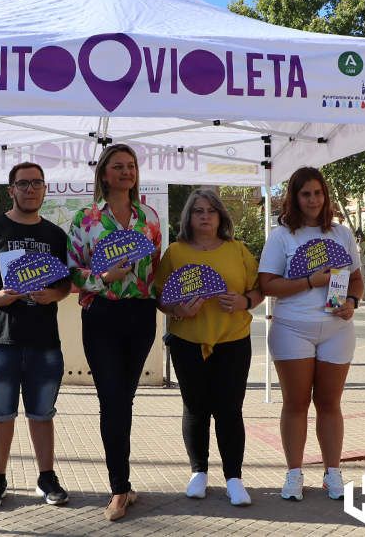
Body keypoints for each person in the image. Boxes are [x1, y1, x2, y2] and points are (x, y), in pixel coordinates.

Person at [0, 162, 72, 509]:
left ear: (44, 188)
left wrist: (54, 295)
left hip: (44, 340)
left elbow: (66, 283)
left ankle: (46, 476)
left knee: (42, 413)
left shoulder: (56, 235)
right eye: (23, 183)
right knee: (0, 413)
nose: (30, 189)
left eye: (36, 183)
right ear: (11, 190)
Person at [257, 166, 364, 502]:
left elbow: (357, 279)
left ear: (325, 195)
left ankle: (333, 473)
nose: (313, 200)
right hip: (292, 329)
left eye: (318, 193)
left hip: (338, 330)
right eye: (306, 194)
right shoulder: (282, 236)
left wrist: (351, 301)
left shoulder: (341, 234)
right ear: (294, 197)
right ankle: (294, 474)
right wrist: (309, 282)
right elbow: (267, 284)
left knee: (330, 403)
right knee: (296, 403)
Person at [67, 144, 161, 521]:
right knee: (112, 400)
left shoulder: (149, 217)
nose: (126, 172)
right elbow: (72, 270)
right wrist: (102, 278)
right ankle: (119, 489)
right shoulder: (85, 219)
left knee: (125, 398)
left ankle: (123, 483)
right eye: (118, 166)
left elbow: (156, 268)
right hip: (101, 314)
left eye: (131, 166)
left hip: (140, 314)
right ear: (104, 174)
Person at [154, 189, 263, 506]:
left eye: (211, 211)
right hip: (187, 342)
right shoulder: (175, 252)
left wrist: (244, 301)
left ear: (221, 217)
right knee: (195, 408)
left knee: (230, 410)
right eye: (198, 210)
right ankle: (198, 472)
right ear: (188, 217)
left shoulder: (238, 250)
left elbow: (258, 291)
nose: (204, 216)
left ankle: (234, 478)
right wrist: (178, 309)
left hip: (233, 341)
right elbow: (161, 297)